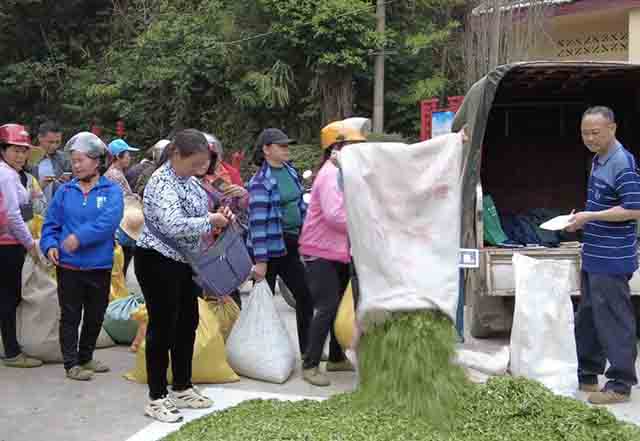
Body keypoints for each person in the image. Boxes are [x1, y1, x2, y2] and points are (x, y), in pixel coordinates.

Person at [135, 129, 233, 423]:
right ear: (176, 155)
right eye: (195, 163)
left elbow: (199, 211)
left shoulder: (189, 181)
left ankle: (181, 386)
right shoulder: (161, 182)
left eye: (203, 164)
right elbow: (173, 224)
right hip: (157, 260)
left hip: (184, 262)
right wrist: (209, 221)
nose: (199, 169)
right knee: (162, 327)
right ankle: (156, 397)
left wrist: (219, 215)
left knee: (187, 323)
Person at [566, 106, 640, 404]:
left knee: (613, 317)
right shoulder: (599, 160)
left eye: (595, 132)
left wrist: (589, 218)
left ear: (613, 128)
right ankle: (588, 373)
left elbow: (634, 208)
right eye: (585, 133)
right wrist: (580, 219)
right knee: (588, 315)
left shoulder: (622, 163)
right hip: (594, 252)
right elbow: (600, 207)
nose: (589, 138)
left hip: (612, 257)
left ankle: (620, 384)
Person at [40, 132, 124, 381]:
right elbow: (51, 225)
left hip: (99, 265)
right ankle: (71, 363)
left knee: (96, 314)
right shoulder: (65, 192)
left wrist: (79, 237)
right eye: (73, 160)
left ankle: (86, 356)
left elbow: (109, 222)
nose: (75, 165)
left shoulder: (111, 190)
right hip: (69, 267)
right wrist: (49, 245)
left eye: (80, 160)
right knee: (70, 315)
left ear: (96, 161)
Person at [298, 120, 366, 386]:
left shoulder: (344, 172)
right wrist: (365, 218)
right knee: (326, 307)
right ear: (336, 148)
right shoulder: (329, 174)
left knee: (338, 307)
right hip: (320, 252)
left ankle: (336, 358)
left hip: (338, 252)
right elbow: (335, 215)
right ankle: (311, 364)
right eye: (352, 146)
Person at [247, 128, 313, 357]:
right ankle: (257, 353)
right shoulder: (259, 182)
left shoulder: (290, 171)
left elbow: (300, 205)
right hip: (271, 247)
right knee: (262, 303)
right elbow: (256, 224)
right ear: (266, 149)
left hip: (292, 245)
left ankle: (307, 352)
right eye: (281, 146)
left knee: (305, 295)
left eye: (287, 145)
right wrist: (261, 261)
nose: (286, 149)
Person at [0, 124, 43, 368]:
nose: (20, 155)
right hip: (8, 245)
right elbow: (13, 215)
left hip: (8, 242)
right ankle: (13, 353)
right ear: (4, 150)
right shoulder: (6, 175)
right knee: (9, 297)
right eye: (15, 150)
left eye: (24, 150)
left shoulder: (10, 173)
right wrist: (30, 245)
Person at [105, 138, 140, 276]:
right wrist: (133, 197)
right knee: (121, 266)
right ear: (118, 156)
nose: (129, 158)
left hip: (122, 225)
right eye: (127, 155)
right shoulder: (114, 175)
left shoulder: (116, 173)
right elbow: (123, 200)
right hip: (121, 227)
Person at [35, 121, 70, 202]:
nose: (54, 146)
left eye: (57, 142)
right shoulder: (27, 159)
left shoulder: (63, 158)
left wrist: (67, 182)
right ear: (40, 137)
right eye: (50, 142)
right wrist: (39, 186)